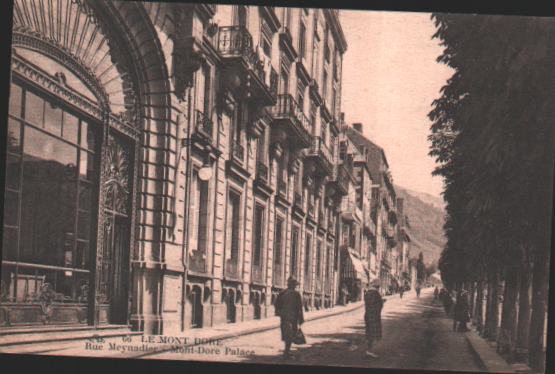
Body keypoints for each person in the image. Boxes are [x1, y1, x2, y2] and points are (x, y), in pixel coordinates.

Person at [274, 276, 304, 358]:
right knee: (290, 335)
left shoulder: (282, 293)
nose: (294, 286)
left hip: (285, 317)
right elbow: (299, 308)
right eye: (294, 284)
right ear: (293, 285)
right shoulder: (296, 294)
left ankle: (286, 351)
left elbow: (277, 305)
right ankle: (286, 353)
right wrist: (301, 319)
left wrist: (279, 313)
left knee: (287, 334)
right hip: (292, 318)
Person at [364, 279, 385, 358]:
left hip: (368, 314)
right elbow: (377, 304)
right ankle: (370, 350)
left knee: (369, 332)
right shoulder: (376, 293)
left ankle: (369, 349)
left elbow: (369, 303)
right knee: (373, 333)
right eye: (379, 286)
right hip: (374, 315)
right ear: (377, 286)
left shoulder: (367, 292)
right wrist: (382, 302)